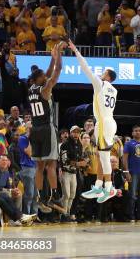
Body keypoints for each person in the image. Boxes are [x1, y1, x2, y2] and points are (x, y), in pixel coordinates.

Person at [69, 40, 120, 204]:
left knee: (104, 157)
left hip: (105, 123)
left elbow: (86, 69)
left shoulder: (101, 84)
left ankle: (109, 188)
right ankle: (99, 185)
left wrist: (76, 51)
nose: (101, 73)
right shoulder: (114, 90)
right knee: (101, 155)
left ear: (108, 76)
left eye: (104, 72)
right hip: (105, 122)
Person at [28, 41, 64, 213]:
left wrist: (52, 58)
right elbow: (56, 72)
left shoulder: (32, 88)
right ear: (39, 79)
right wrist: (59, 57)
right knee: (51, 164)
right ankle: (55, 195)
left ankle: (40, 196)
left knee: (39, 166)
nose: (46, 77)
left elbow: (48, 72)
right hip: (46, 128)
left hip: (34, 130)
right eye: (43, 76)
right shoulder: (46, 89)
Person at [122, 126, 140, 221]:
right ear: (132, 133)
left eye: (139, 131)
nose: (138, 132)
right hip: (132, 172)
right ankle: (130, 215)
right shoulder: (128, 144)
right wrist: (126, 171)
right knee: (132, 195)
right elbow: (124, 158)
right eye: (136, 131)